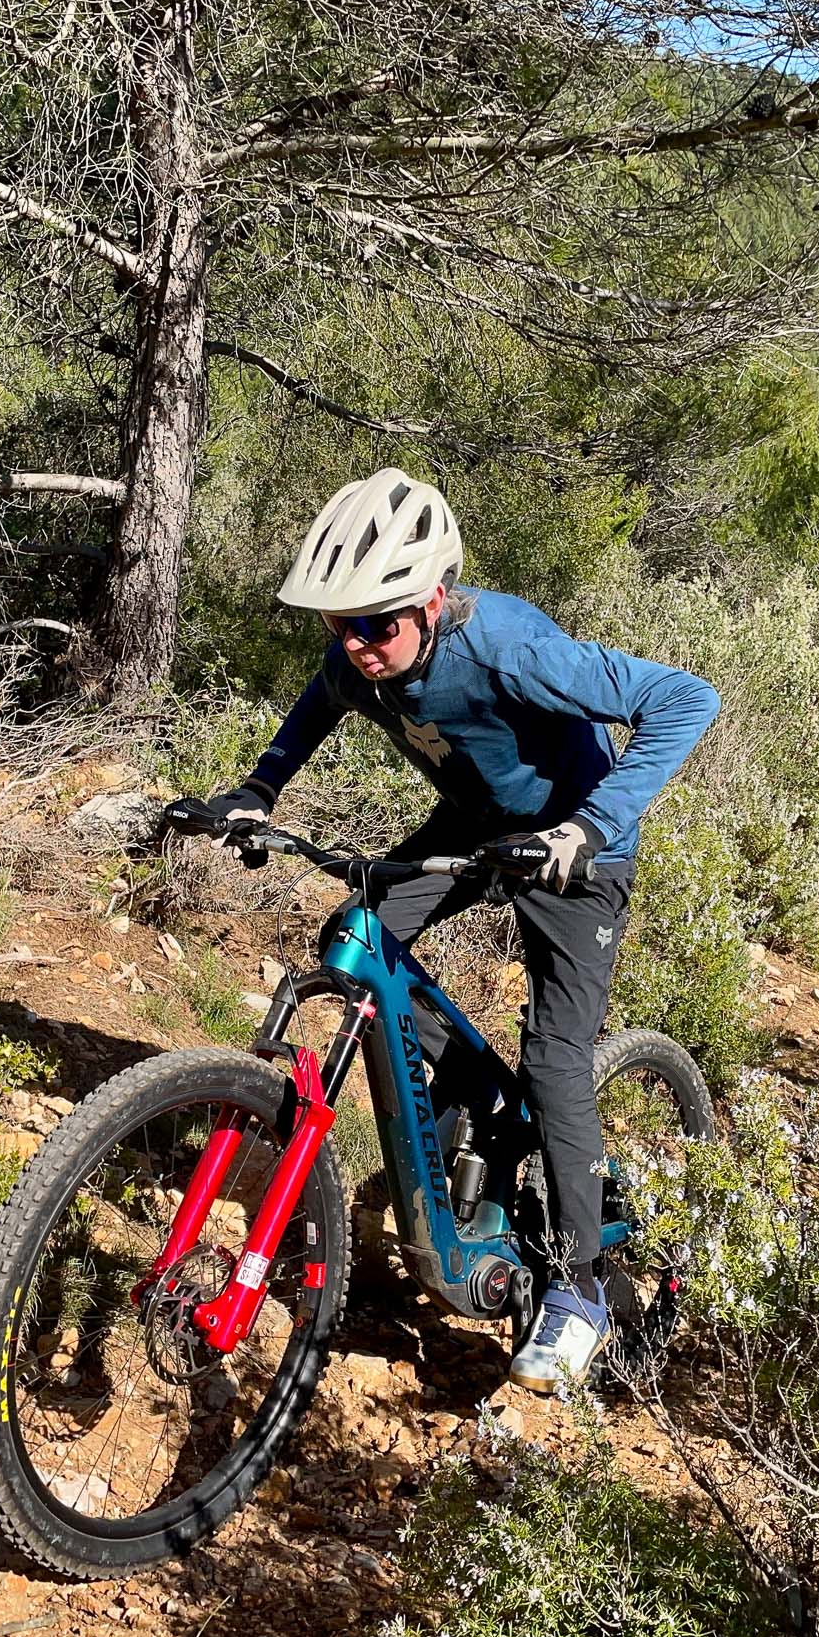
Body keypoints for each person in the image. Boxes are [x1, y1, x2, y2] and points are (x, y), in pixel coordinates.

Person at [187, 467, 719, 1394]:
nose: (357, 646)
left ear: (433, 600)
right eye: (339, 625)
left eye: (376, 625)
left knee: (555, 1058)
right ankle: (476, 1096)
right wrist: (258, 789)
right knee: (358, 935)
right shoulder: (363, 654)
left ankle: (583, 1285)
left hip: (578, 852)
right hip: (479, 826)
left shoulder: (509, 650)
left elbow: (686, 699)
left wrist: (588, 828)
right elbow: (320, 700)